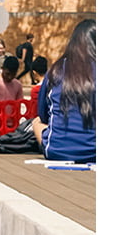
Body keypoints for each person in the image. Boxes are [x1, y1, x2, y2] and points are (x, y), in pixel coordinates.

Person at [34, 19, 95, 164]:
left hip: (57, 150)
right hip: (95, 153)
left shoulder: (56, 70)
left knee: (36, 122)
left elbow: (43, 116)